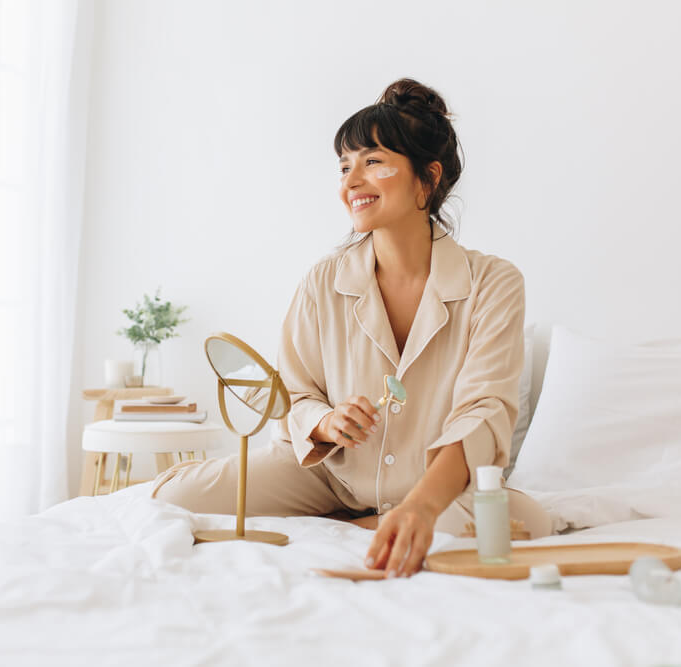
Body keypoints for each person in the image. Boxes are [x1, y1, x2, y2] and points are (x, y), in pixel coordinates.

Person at [151, 77, 552, 578]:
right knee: (176, 494)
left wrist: (422, 507)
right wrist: (325, 422)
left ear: (427, 179)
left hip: (436, 488)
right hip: (331, 478)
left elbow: (484, 413)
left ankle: (382, 520)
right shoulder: (323, 282)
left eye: (374, 162)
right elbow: (295, 393)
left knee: (523, 522)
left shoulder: (493, 283)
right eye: (345, 166)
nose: (350, 183)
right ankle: (362, 519)